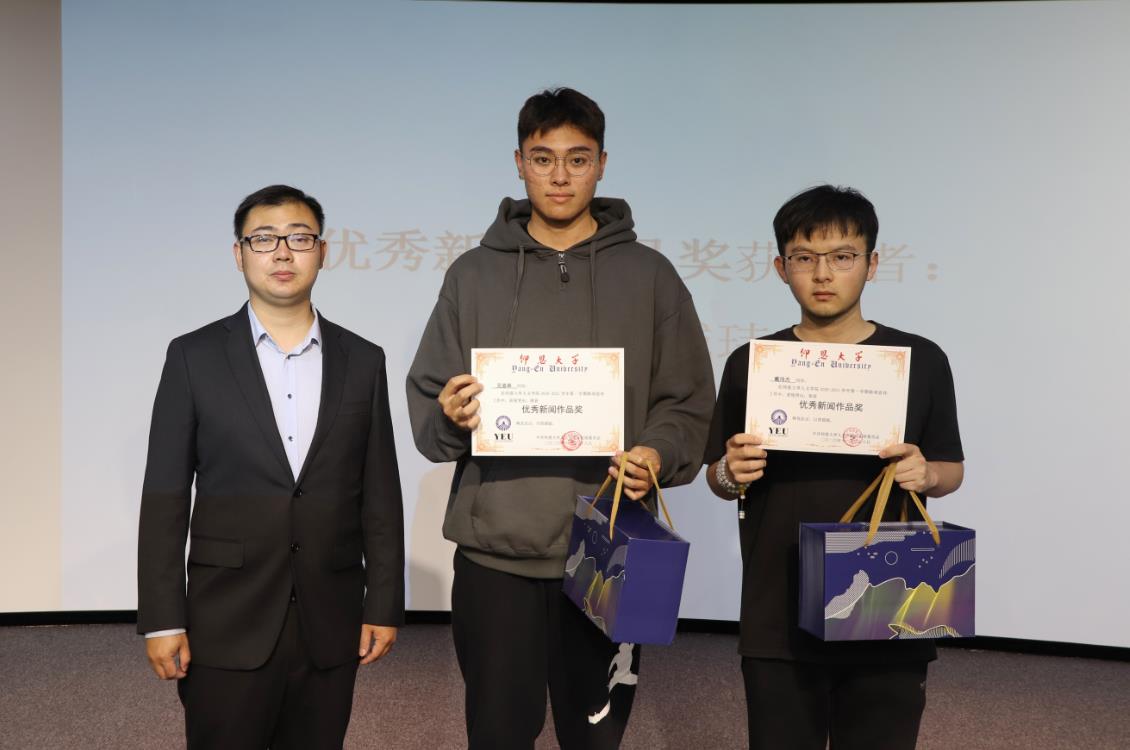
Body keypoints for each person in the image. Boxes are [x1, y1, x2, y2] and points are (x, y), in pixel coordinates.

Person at [407, 87, 715, 749]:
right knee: (497, 733)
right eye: (543, 158)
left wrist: (657, 453)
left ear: (601, 164)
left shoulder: (651, 275)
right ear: (519, 162)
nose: (559, 175)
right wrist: (452, 415)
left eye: (577, 159)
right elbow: (431, 406)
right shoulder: (472, 275)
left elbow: (687, 401)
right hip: (496, 556)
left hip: (608, 548)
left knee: (596, 737)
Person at [137, 184, 405, 749]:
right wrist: (163, 617)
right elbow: (165, 495)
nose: (282, 252)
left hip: (329, 618)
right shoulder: (192, 356)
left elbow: (380, 493)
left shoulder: (363, 359)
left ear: (323, 252)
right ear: (239, 254)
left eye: (299, 238)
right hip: (225, 618)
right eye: (263, 239)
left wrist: (383, 603)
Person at [703, 185, 965, 750]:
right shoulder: (753, 364)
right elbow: (717, 478)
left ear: (872, 264)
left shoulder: (920, 360)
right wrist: (729, 471)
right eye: (804, 257)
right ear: (781, 268)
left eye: (843, 256)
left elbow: (951, 469)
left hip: (888, 597)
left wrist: (927, 474)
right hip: (777, 607)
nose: (823, 274)